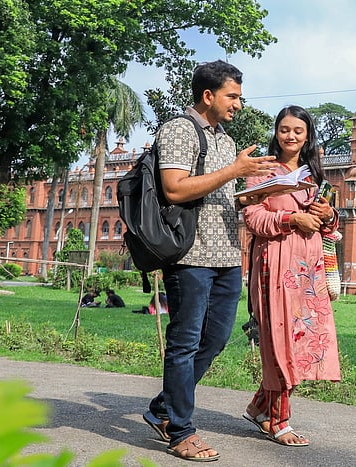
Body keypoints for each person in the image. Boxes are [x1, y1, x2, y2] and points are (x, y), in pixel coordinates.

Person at [141, 60, 277, 462]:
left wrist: (252, 192)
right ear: (208, 95)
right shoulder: (180, 130)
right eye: (233, 95)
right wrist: (235, 170)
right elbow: (176, 189)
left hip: (225, 255)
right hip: (189, 254)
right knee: (184, 343)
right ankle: (180, 430)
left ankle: (162, 408)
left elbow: (221, 196)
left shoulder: (225, 140)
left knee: (214, 339)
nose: (239, 103)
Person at [240, 106, 342, 447]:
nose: (291, 136)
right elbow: (252, 217)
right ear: (276, 132)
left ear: (308, 135)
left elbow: (328, 225)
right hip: (274, 263)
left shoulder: (314, 172)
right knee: (280, 341)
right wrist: (291, 220)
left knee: (301, 341)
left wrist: (328, 214)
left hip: (309, 269)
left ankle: (259, 406)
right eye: (285, 129)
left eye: (298, 130)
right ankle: (279, 421)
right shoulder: (262, 170)